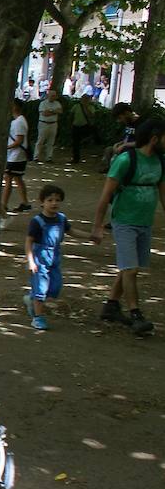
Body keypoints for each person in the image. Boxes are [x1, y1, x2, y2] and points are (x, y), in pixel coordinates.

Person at [91, 115, 163, 336]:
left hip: (145, 221)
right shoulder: (125, 161)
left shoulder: (160, 161)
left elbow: (163, 194)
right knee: (130, 269)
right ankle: (136, 314)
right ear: (154, 138)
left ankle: (111, 306)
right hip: (123, 221)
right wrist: (98, 226)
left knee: (130, 267)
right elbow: (105, 196)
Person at [25, 184, 69, 331]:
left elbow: (71, 231)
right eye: (50, 200)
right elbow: (29, 241)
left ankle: (31, 300)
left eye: (57, 200)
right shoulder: (37, 221)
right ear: (42, 202)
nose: (54, 203)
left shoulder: (61, 219)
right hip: (40, 258)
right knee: (40, 289)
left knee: (55, 287)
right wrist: (31, 261)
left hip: (55, 256)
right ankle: (38, 317)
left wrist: (90, 236)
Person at [3, 99, 32, 213]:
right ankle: (25, 202)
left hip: (15, 156)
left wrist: (6, 148)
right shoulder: (19, 121)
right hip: (16, 156)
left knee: (8, 178)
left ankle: (4, 204)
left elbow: (19, 140)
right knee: (17, 178)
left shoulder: (19, 122)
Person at [34, 92, 63, 162]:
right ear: (48, 96)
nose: (53, 97)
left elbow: (60, 111)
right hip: (43, 124)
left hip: (53, 124)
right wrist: (54, 111)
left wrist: (50, 111)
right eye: (51, 96)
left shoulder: (57, 103)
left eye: (54, 96)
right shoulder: (43, 103)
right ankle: (36, 156)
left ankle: (49, 157)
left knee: (51, 141)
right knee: (40, 140)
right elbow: (44, 113)